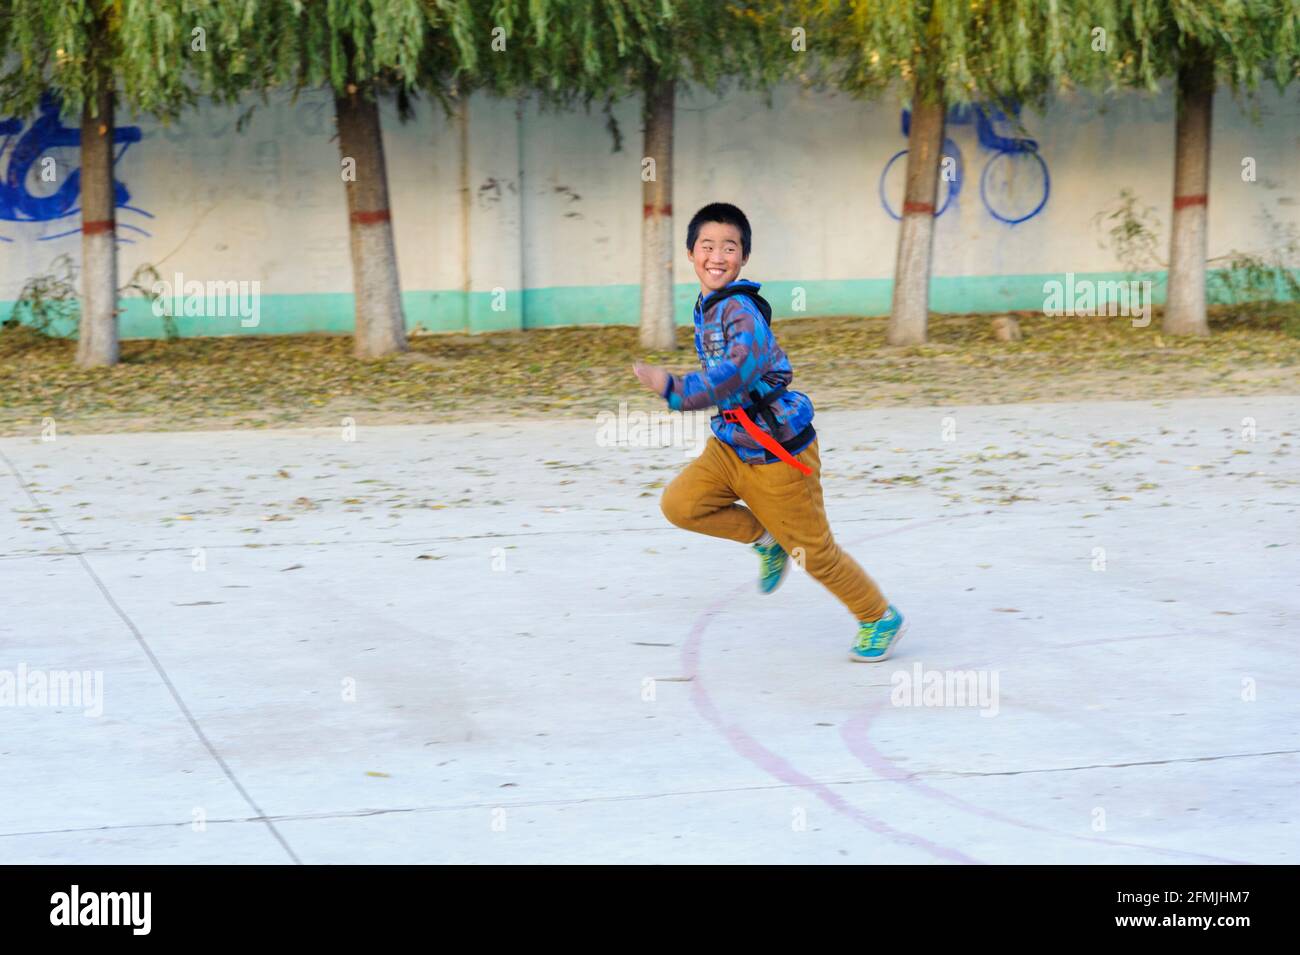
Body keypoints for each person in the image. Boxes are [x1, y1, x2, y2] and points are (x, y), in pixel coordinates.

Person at [632, 202, 906, 661]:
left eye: (729, 247)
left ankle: (878, 616)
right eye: (707, 246)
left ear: (743, 257)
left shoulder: (739, 309)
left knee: (815, 554)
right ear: (690, 253)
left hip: (776, 453)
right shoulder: (708, 304)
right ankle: (765, 538)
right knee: (680, 504)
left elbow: (738, 372)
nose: (717, 256)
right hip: (731, 444)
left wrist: (675, 388)